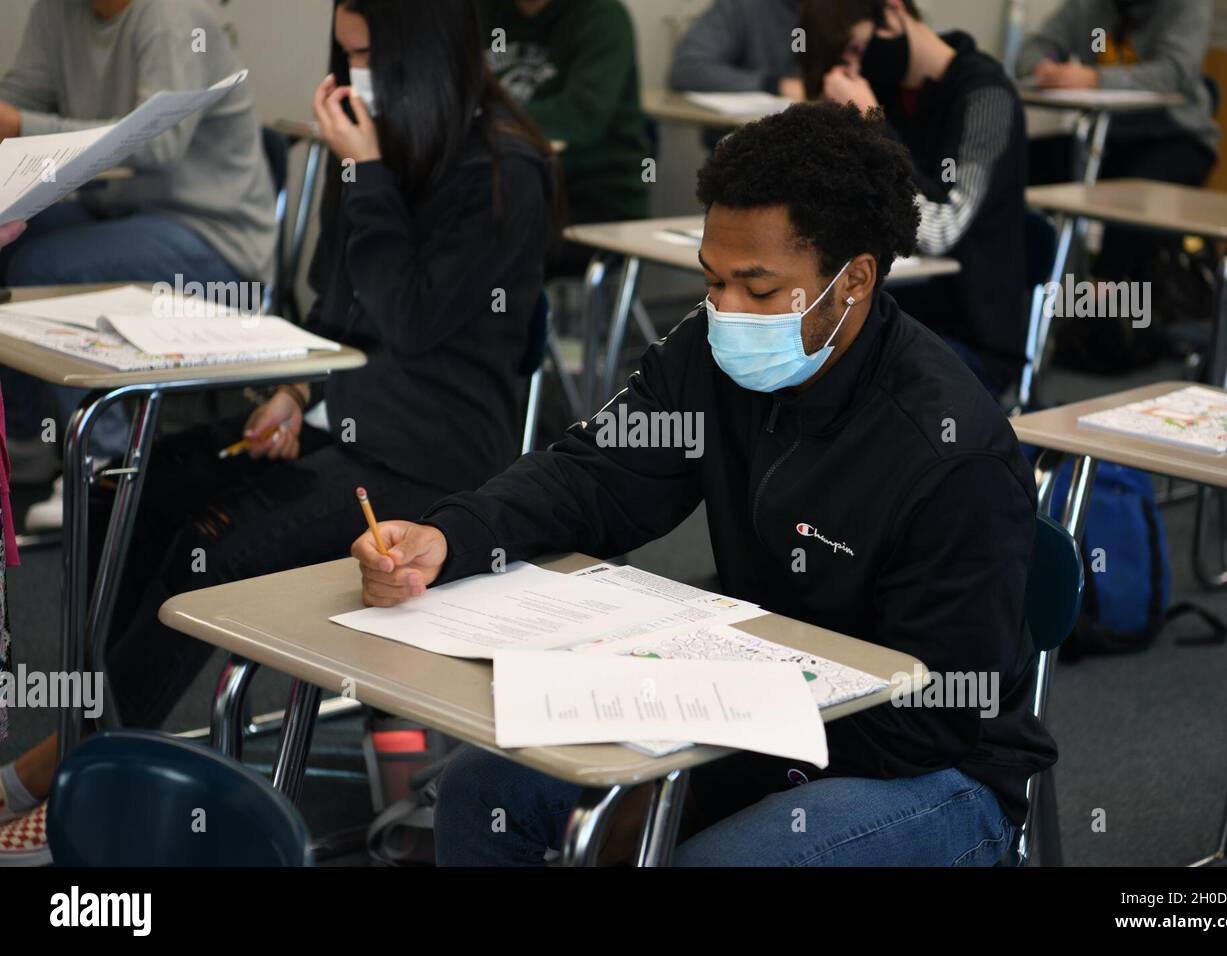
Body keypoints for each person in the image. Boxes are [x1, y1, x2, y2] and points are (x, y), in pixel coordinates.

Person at [353, 102, 1057, 867]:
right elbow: (596, 473)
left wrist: (694, 767)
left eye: (758, 289)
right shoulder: (715, 351)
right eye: (712, 279)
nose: (725, 310)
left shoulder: (951, 454)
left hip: (932, 767)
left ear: (853, 280)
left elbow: (934, 713)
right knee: (483, 789)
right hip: (757, 698)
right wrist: (452, 535)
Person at [0, 0, 555, 866]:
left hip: (431, 451)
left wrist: (365, 176)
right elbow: (331, 315)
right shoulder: (367, 149)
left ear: (425, 56)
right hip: (345, 419)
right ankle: (101, 735)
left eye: (368, 54)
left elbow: (409, 322)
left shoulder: (504, 169)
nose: (350, 73)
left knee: (213, 547)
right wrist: (297, 390)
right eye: (345, 50)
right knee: (129, 483)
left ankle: (80, 760)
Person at [0, 0, 278, 529]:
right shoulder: (57, 13)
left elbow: (161, 146)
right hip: (118, 216)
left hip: (214, 241)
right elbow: (18, 99)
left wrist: (18, 124)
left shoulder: (174, 17)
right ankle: (26, 439)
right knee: (12, 247)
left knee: (45, 265)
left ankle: (104, 464)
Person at [800, 0, 1027, 399]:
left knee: (843, 393)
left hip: (965, 331)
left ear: (892, 12)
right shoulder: (887, 89)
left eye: (855, 48)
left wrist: (871, 123)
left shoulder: (987, 97)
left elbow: (942, 230)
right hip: (883, 314)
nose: (853, 69)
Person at [1015, 0, 1218, 281]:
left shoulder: (1186, 7)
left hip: (1176, 137)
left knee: (1134, 198)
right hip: (1107, 139)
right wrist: (1044, 66)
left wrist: (1095, 78)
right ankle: (1013, 281)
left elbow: (1174, 73)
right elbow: (1037, 47)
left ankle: (1106, 302)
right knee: (1014, 161)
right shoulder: (1088, 7)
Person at [477, 0, 650, 270]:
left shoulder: (601, 17)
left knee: (481, 243)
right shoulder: (480, 13)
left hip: (588, 198)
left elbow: (580, 116)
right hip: (498, 186)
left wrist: (485, 120)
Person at [668, 0, 805, 101]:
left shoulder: (822, 9)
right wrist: (773, 85)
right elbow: (687, 68)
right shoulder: (740, 6)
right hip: (747, 132)